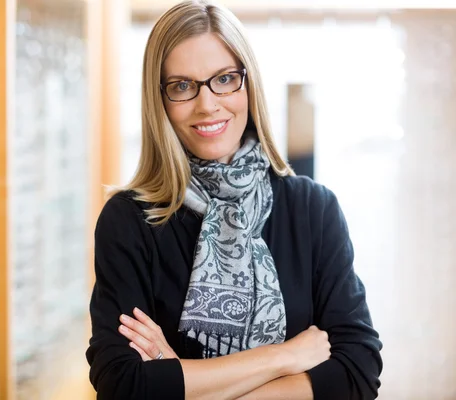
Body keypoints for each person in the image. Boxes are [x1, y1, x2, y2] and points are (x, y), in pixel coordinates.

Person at [85, 1, 383, 399]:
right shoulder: (130, 220)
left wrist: (181, 378)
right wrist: (284, 357)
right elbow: (123, 385)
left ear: (249, 84)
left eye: (224, 79)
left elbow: (357, 373)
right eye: (182, 86)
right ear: (159, 101)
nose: (207, 104)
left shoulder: (313, 209)